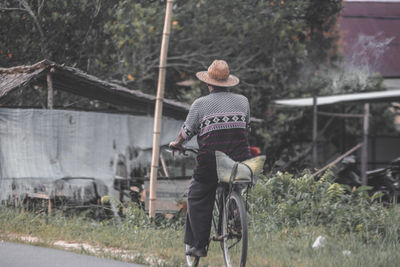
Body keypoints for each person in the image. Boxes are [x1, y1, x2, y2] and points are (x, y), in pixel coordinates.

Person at [169, 60, 252, 257]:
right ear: (228, 82)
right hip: (238, 161)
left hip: (211, 162)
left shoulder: (200, 104)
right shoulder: (243, 101)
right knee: (234, 182)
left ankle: (198, 246)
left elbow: (186, 132)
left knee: (197, 196)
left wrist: (176, 143)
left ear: (209, 83)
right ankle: (235, 211)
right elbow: (246, 127)